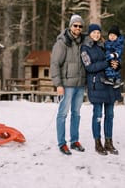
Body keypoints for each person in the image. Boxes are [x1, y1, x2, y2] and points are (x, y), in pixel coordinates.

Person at [80, 23, 122, 156]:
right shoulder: (85, 49)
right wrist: (107, 63)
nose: (96, 35)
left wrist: (116, 65)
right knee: (98, 115)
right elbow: (89, 67)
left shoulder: (105, 46)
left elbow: (114, 60)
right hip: (96, 85)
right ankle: (97, 142)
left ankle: (108, 142)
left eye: (98, 33)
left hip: (109, 85)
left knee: (109, 115)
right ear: (89, 34)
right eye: (94, 33)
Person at [50, 14, 86, 155]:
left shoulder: (84, 42)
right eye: (75, 25)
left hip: (80, 84)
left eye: (80, 26)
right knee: (62, 114)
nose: (77, 28)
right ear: (70, 26)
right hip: (66, 85)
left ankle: (74, 141)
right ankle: (62, 143)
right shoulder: (62, 42)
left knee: (76, 114)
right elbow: (54, 64)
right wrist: (58, 84)